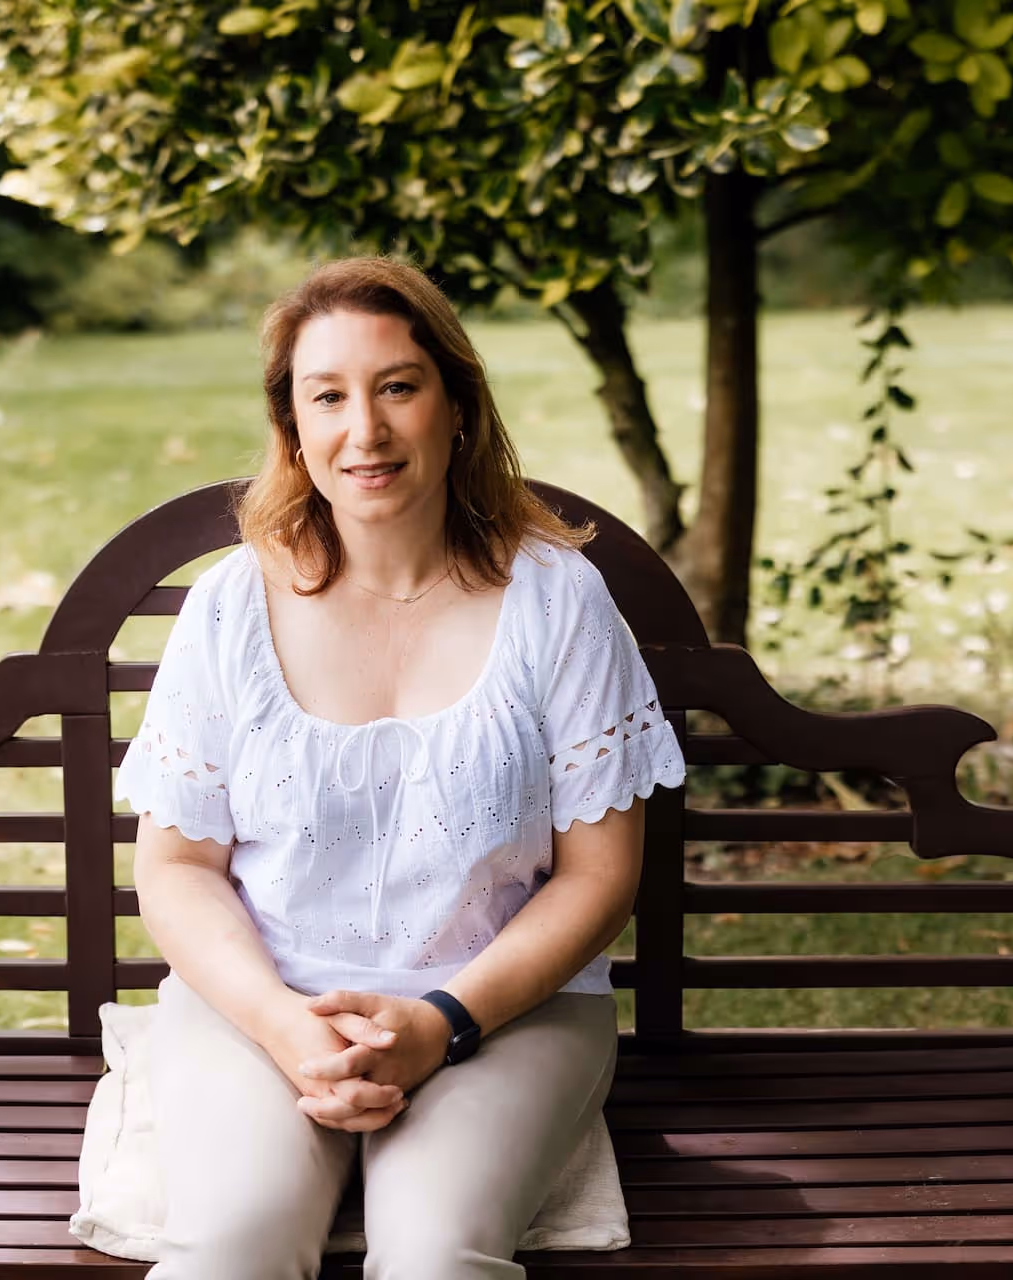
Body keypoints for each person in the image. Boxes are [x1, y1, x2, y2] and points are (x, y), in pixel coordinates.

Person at [113, 257, 687, 1279]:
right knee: (228, 1249)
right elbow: (178, 864)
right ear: (291, 426)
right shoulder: (230, 608)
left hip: (508, 1011)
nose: (364, 432)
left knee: (433, 1257)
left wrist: (441, 1022)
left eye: (398, 387)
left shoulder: (558, 601)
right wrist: (286, 1024)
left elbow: (601, 873)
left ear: (456, 404)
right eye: (326, 395)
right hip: (261, 1004)